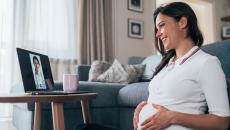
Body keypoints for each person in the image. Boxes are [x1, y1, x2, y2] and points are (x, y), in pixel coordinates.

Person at [133, 2, 230, 130]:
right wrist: (144, 106)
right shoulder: (166, 64)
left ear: (182, 22)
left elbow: (222, 122)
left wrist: (172, 117)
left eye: (161, 25)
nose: (157, 34)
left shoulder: (207, 63)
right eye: (157, 29)